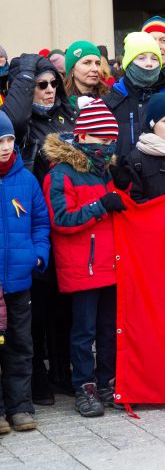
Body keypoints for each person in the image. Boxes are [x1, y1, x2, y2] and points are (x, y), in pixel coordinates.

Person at [42, 99, 127, 417]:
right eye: (101, 140)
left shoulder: (103, 170)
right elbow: (61, 220)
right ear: (82, 136)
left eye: (110, 141)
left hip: (108, 263)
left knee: (108, 328)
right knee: (84, 331)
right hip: (83, 266)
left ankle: (107, 382)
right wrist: (101, 206)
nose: (107, 146)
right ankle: (84, 386)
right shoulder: (61, 174)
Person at [1, 53, 76, 405]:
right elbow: (13, 118)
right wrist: (27, 72)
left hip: (61, 218)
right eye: (39, 85)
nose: (48, 90)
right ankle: (37, 381)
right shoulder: (18, 122)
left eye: (52, 84)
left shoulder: (68, 114)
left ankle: (62, 372)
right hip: (26, 220)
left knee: (63, 306)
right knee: (33, 316)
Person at [0, 111, 50, 433]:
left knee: (20, 345)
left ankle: (19, 408)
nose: (5, 147)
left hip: (19, 282)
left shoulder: (26, 180)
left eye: (8, 140)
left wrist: (38, 254)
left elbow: (41, 223)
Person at [103, 31, 165, 160]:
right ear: (129, 63)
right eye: (141, 58)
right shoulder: (109, 104)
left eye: (154, 58)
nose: (149, 63)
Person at [64, 40, 109, 108]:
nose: (95, 69)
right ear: (72, 69)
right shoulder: (62, 103)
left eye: (97, 63)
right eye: (87, 63)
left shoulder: (110, 99)